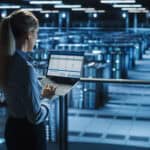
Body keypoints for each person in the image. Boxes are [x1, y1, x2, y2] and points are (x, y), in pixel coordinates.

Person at [0, 9, 56, 150]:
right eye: (36, 33)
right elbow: (35, 117)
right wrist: (47, 97)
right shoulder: (25, 68)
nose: (36, 38)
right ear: (28, 35)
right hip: (29, 134)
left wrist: (37, 90)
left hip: (13, 128)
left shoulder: (6, 61)